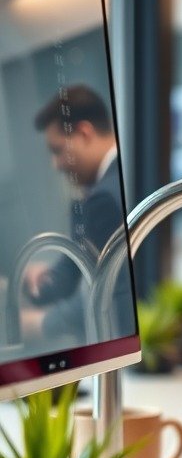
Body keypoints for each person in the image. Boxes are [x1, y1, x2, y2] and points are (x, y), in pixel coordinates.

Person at [21, 85, 127, 344]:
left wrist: (36, 324)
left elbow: (104, 296)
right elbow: (78, 268)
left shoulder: (104, 199)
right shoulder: (118, 180)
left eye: (57, 150)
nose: (55, 165)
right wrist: (47, 279)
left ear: (84, 132)